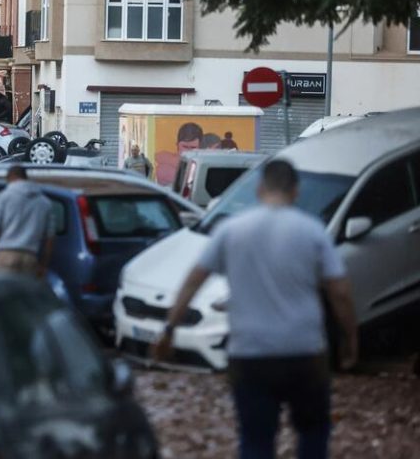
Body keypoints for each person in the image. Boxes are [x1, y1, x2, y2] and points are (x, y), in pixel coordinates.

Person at [152, 160, 358, 459]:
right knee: (313, 432)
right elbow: (339, 291)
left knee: (256, 439)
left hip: (249, 352)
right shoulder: (313, 232)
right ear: (296, 191)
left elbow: (193, 280)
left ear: (260, 189)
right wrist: (350, 338)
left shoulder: (232, 230)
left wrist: (169, 329)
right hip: (305, 352)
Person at [0, 166, 55, 277]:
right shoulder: (44, 202)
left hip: (5, 255)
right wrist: (43, 265)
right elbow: (50, 239)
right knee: (23, 294)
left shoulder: (4, 196)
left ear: (10, 177)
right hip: (30, 258)